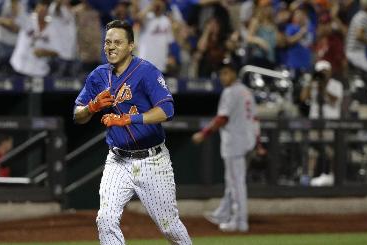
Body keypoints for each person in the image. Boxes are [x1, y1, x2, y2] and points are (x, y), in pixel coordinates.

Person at [73, 20, 192, 245]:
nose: (111, 47)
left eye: (118, 42)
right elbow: (76, 115)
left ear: (131, 46)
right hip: (117, 160)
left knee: (170, 228)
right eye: (108, 42)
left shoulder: (146, 71)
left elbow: (167, 110)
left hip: (152, 161)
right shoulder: (98, 75)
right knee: (106, 219)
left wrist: (129, 119)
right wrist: (91, 107)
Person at [191, 59, 257, 232]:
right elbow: (255, 119)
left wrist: (203, 133)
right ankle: (223, 212)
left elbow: (222, 118)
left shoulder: (230, 92)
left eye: (226, 72)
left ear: (234, 73)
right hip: (247, 141)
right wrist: (258, 143)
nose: (222, 76)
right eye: (221, 73)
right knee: (233, 182)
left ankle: (239, 221)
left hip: (235, 142)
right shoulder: (246, 91)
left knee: (236, 183)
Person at [299, 60, 343, 186]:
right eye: (320, 71)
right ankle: (308, 177)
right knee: (312, 151)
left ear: (330, 72)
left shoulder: (336, 84)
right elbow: (303, 98)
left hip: (331, 123)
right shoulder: (313, 84)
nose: (323, 74)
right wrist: (309, 82)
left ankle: (335, 178)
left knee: (332, 151)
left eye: (325, 71)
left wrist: (323, 88)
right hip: (314, 122)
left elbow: (335, 101)